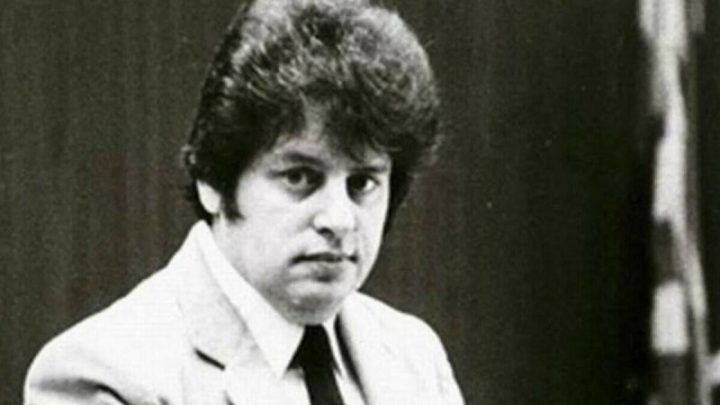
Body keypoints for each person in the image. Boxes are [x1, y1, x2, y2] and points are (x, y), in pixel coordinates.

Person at [24, 0, 464, 404]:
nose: (340, 220)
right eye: (299, 177)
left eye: (362, 184)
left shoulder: (416, 358)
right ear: (213, 181)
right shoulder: (105, 373)